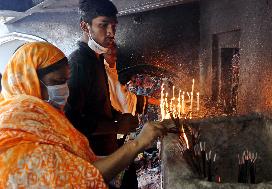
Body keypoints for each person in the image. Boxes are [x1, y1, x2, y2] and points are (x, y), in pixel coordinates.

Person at [0, 42, 166, 188]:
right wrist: (137, 143)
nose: (65, 89)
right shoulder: (17, 131)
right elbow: (81, 179)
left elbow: (79, 164)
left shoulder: (45, 118)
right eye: (57, 82)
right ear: (29, 80)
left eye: (66, 81)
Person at [65, 0, 159, 157]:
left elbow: (100, 104)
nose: (111, 32)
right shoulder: (78, 64)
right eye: (103, 25)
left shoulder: (97, 59)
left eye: (114, 26)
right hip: (92, 155)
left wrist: (119, 116)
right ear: (84, 26)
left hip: (106, 147)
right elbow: (72, 121)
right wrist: (116, 127)